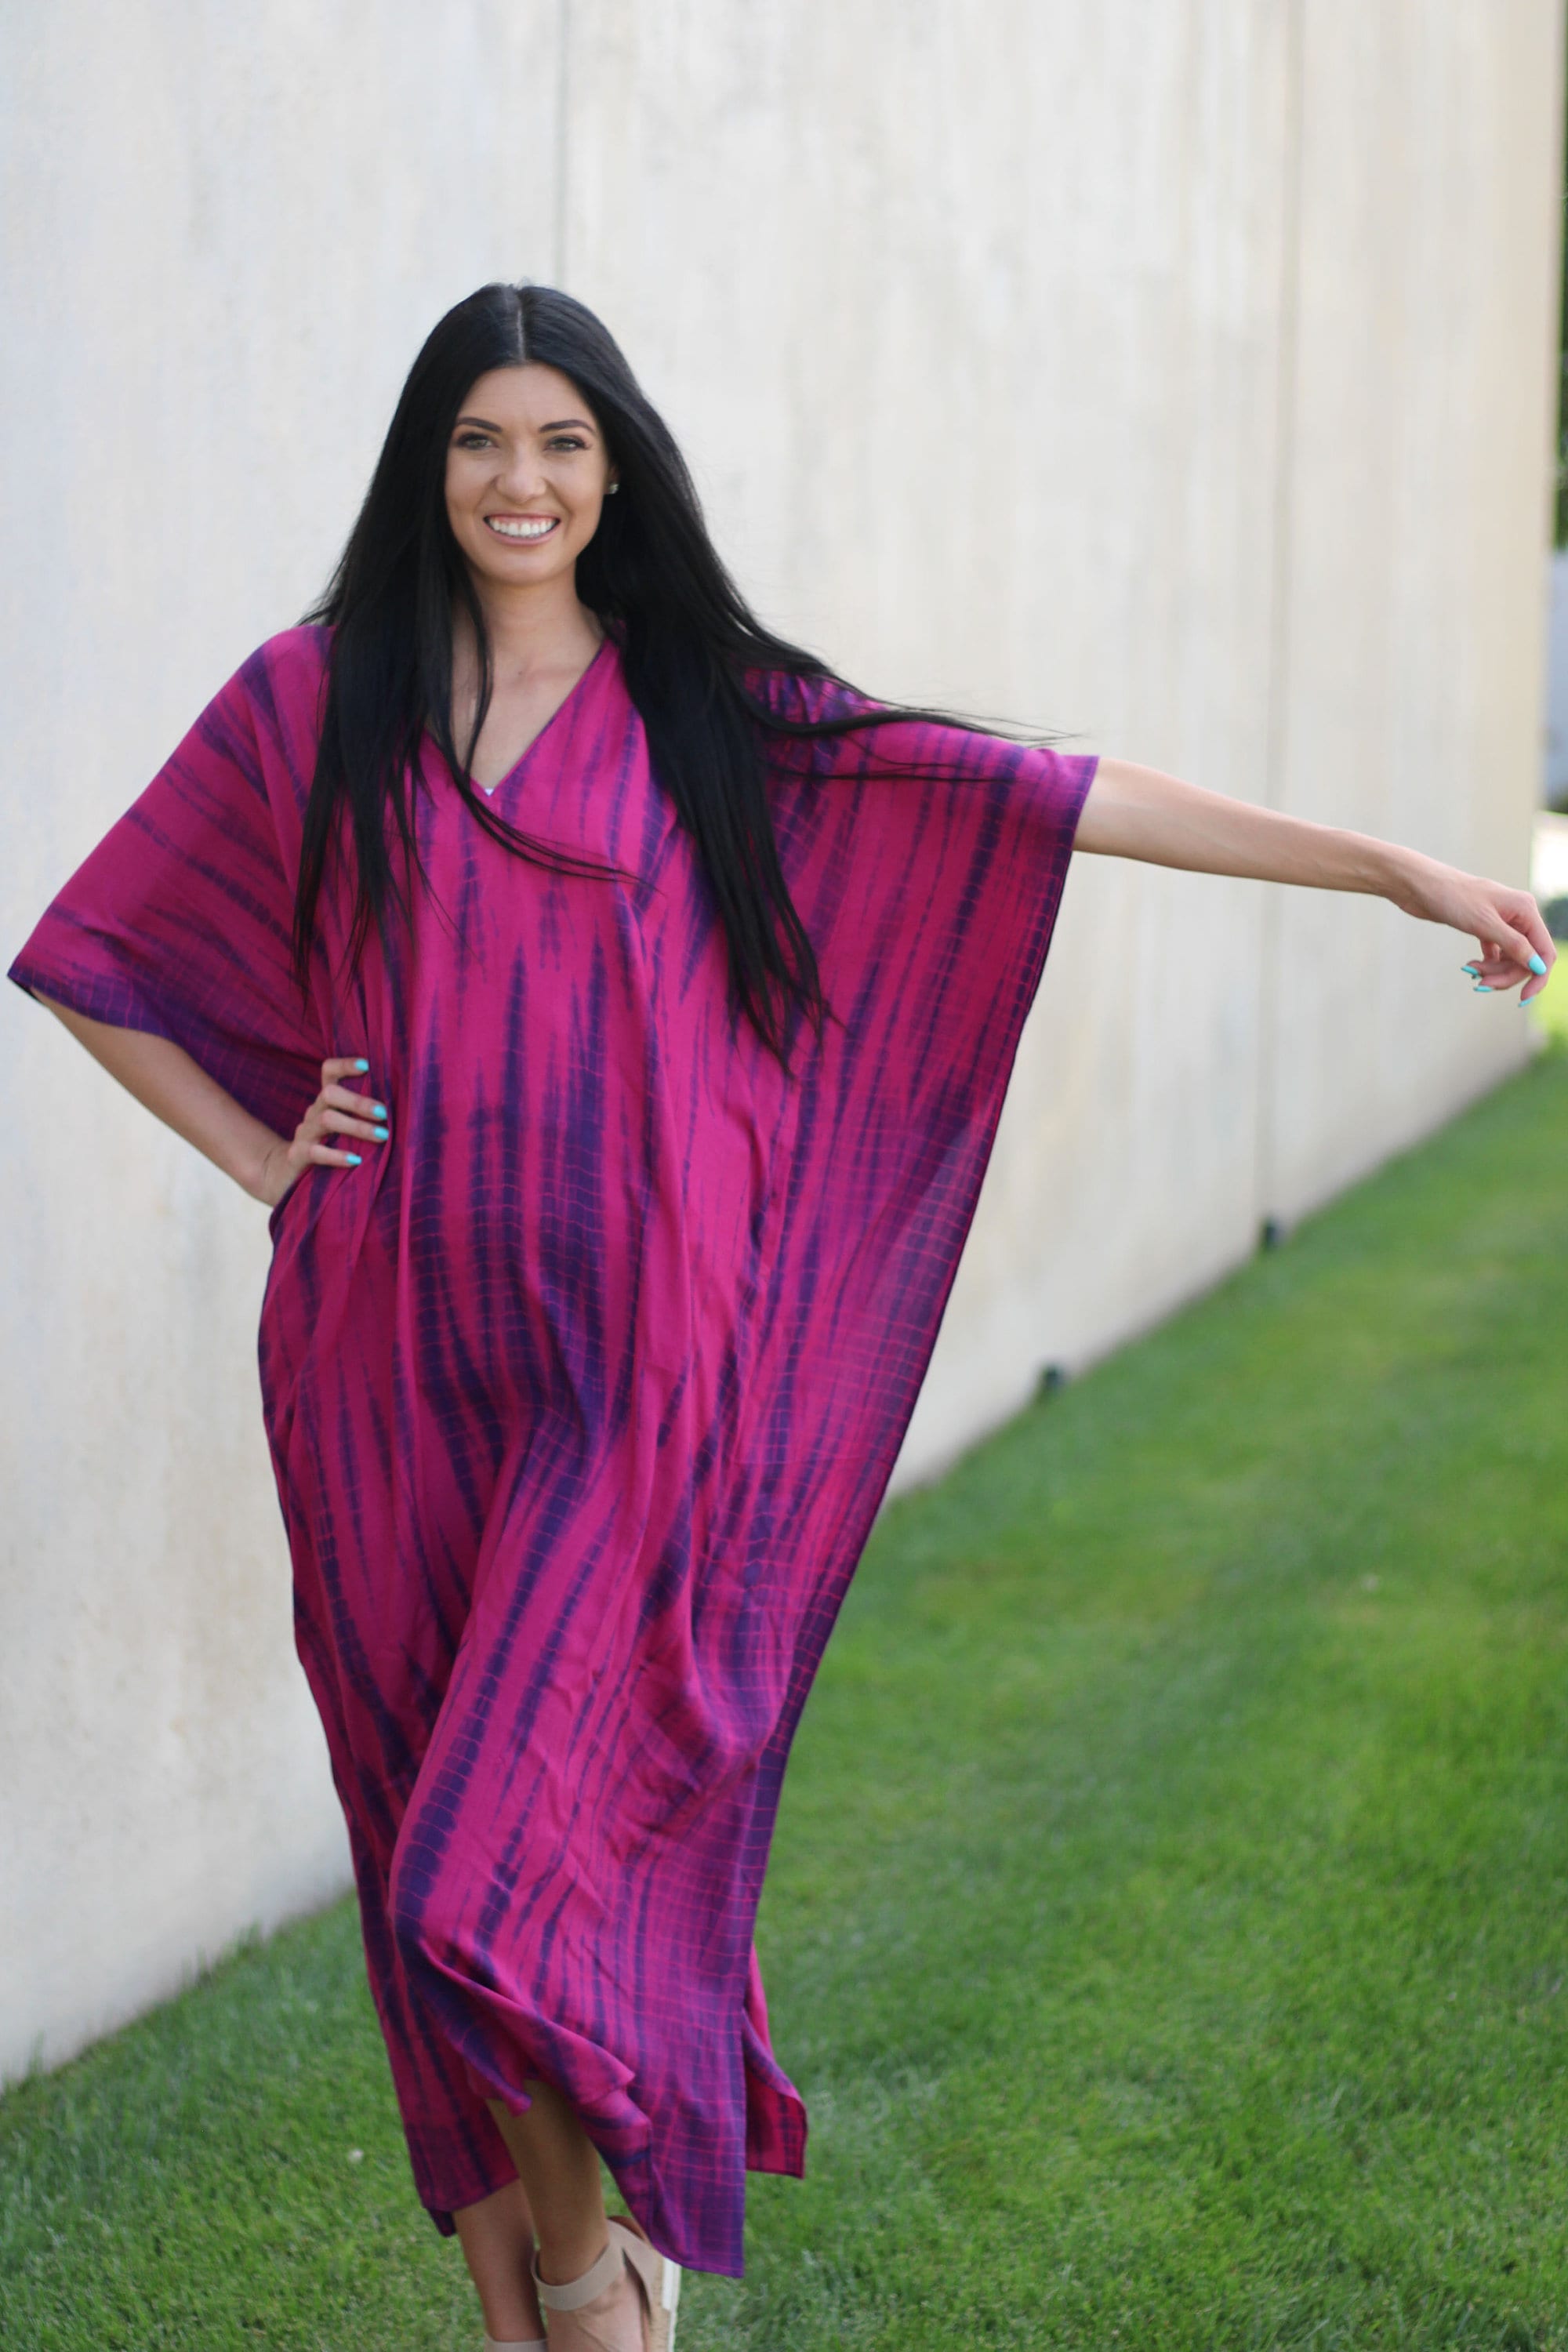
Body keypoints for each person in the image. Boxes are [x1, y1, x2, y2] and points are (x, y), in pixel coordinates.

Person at [9, 281, 1552, 2352]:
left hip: (621, 1387)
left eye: (561, 442)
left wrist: (1392, 871)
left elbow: (1041, 791)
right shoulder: (317, 699)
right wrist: (269, 1154)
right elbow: (95, 950)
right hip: (373, 1378)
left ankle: (587, 2281)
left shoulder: (709, 711)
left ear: (616, 466)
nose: (521, 481)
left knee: (495, 1882)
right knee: (424, 1885)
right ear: (428, 464)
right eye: (482, 441)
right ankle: (549, 2288)